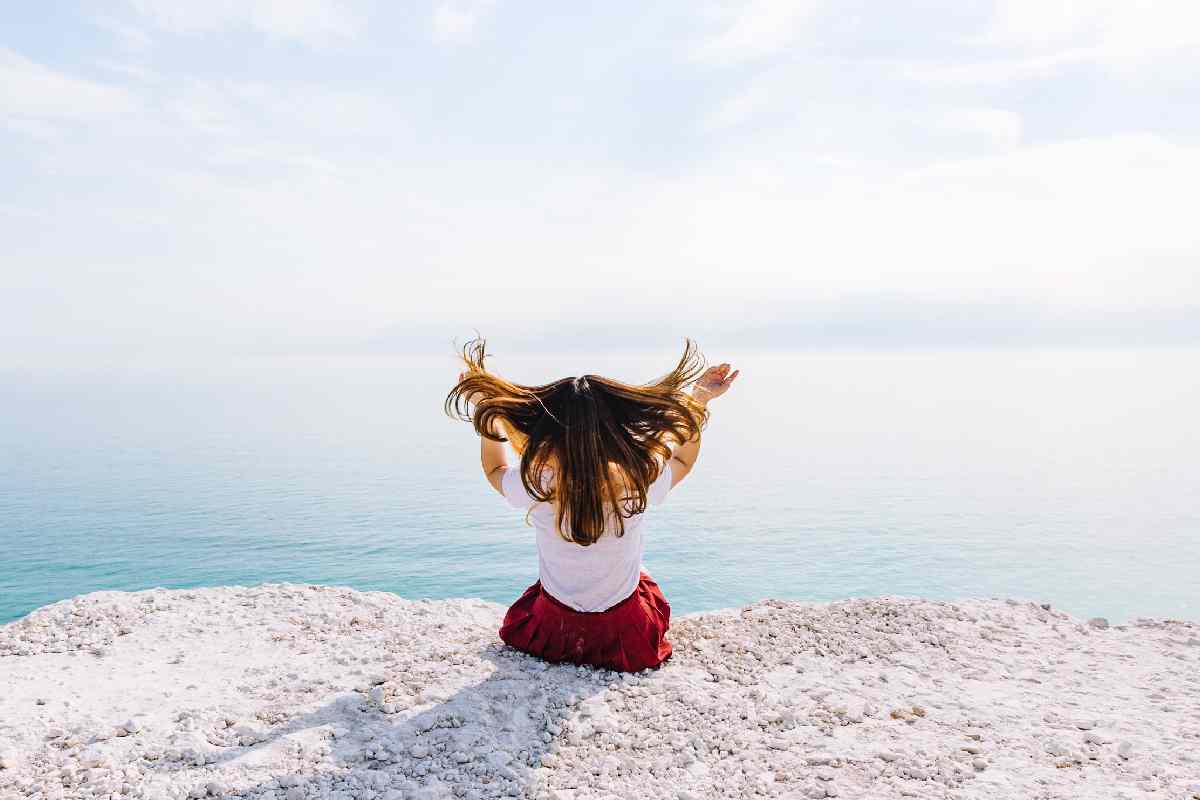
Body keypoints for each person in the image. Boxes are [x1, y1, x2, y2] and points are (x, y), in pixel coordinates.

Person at [445, 338, 739, 672]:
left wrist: (489, 415)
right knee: (643, 580)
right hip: (624, 637)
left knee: (549, 591)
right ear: (619, 431)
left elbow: (494, 470)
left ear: (546, 433)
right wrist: (698, 398)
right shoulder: (637, 479)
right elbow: (682, 459)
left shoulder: (539, 481)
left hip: (554, 632)